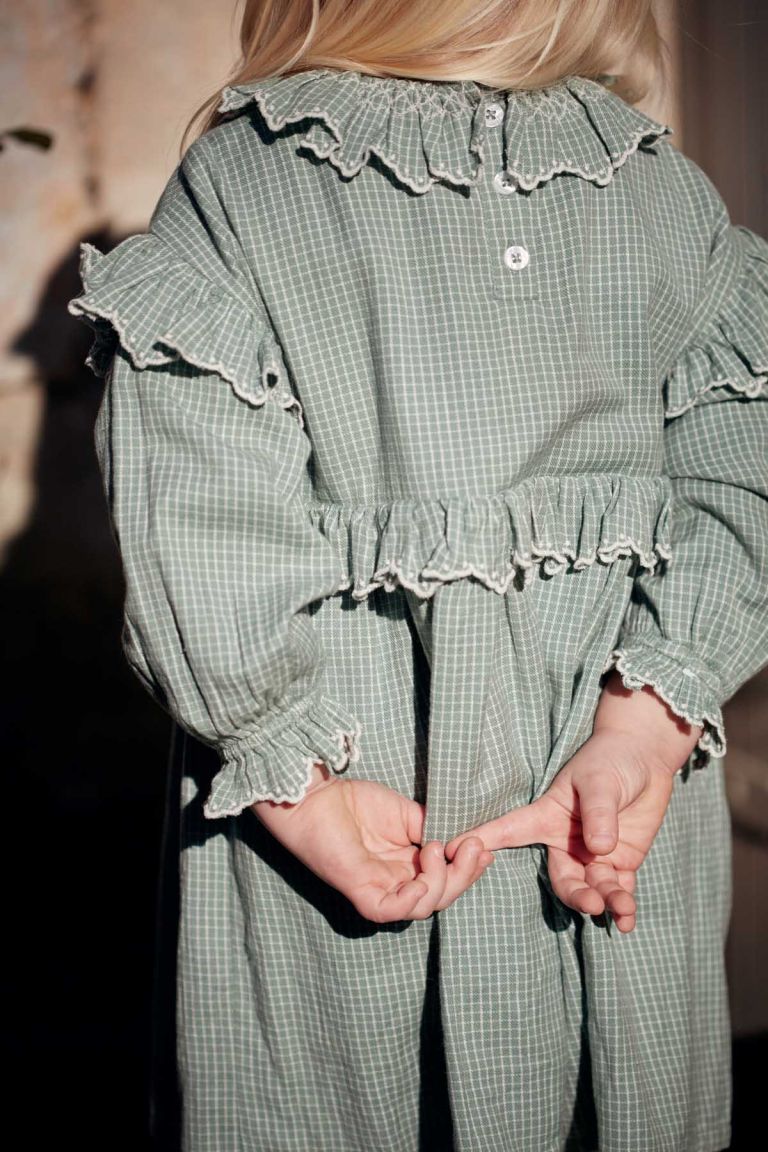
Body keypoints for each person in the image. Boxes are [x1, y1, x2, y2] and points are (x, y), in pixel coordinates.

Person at [67, 2, 768, 1149]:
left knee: (333, 1094)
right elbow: (745, 469)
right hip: (605, 790)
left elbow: (193, 513)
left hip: (352, 789)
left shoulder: (247, 185)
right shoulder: (662, 194)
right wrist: (646, 722)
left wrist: (292, 771)